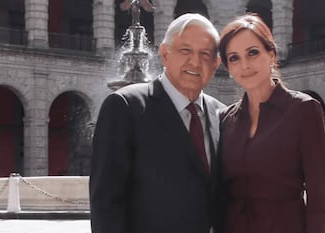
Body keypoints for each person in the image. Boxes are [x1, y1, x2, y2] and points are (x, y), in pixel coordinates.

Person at [89, 13, 225, 233]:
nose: (195, 61)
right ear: (164, 54)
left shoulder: (222, 114)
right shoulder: (125, 106)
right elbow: (106, 202)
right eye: (185, 51)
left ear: (216, 63)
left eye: (205, 54)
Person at [218, 14, 325, 233]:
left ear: (271, 55)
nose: (245, 65)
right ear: (228, 69)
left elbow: (318, 198)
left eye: (253, 52)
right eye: (234, 58)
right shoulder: (226, 119)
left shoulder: (304, 110)